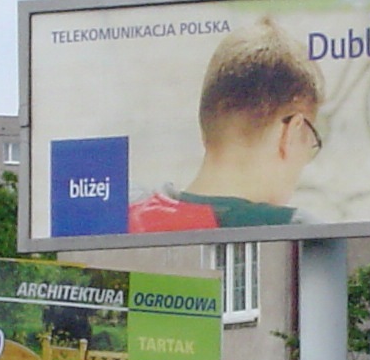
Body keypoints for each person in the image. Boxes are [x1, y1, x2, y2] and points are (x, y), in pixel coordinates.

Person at [129, 19, 324, 230]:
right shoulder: (298, 231)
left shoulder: (129, 215)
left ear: (207, 123)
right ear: (291, 134)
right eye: (311, 144)